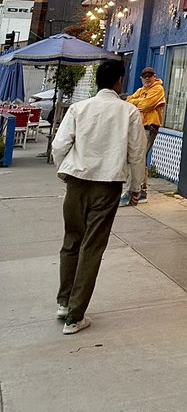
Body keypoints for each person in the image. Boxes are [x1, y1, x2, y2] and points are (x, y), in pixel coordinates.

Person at [52, 57, 145, 336]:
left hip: (76, 182)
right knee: (92, 247)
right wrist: (137, 186)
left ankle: (64, 302)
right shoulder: (129, 112)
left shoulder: (79, 108)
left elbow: (60, 145)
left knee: (71, 241)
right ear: (119, 81)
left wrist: (65, 169)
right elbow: (137, 154)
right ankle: (75, 316)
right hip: (107, 185)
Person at [124, 66, 166, 202]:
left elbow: (146, 105)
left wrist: (136, 103)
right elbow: (128, 101)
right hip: (140, 127)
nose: (147, 78)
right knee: (139, 158)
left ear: (155, 76)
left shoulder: (158, 89)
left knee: (138, 158)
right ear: (141, 78)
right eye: (145, 76)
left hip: (150, 127)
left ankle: (134, 191)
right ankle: (141, 191)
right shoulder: (141, 90)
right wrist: (137, 102)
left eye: (150, 76)